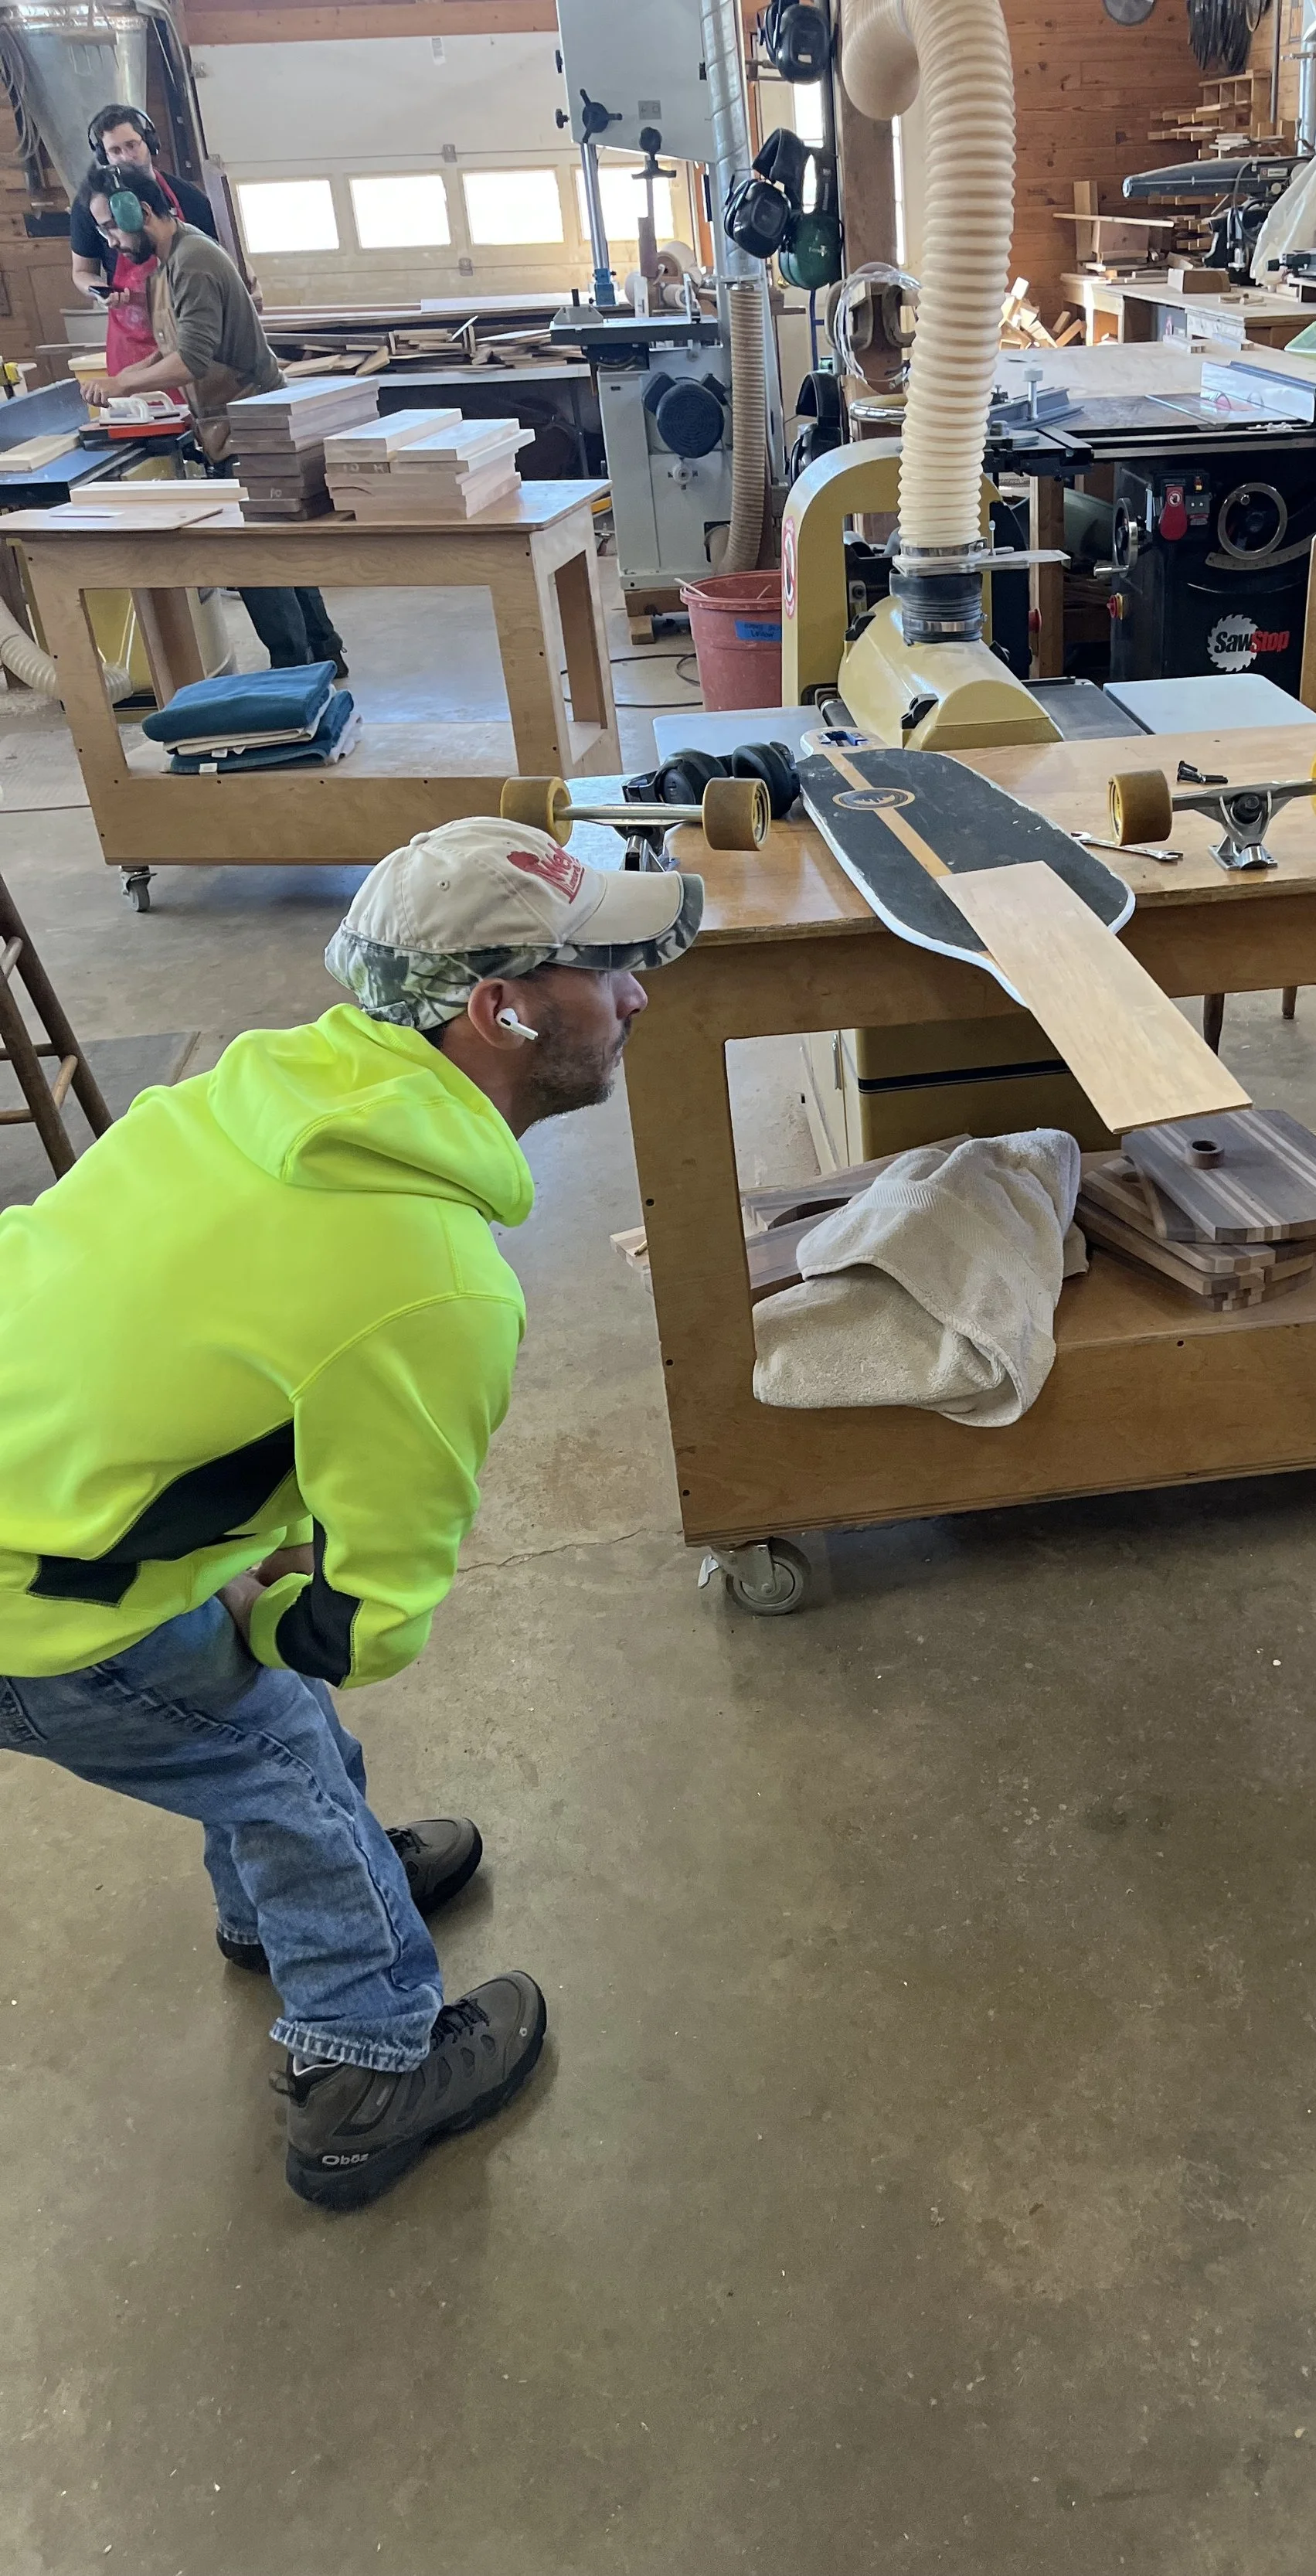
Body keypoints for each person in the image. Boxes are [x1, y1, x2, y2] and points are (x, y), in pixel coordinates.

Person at [0, 821, 704, 2208]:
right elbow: (365, 1613)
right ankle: (367, 2070)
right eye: (602, 969)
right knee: (277, 1747)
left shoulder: (262, 1091)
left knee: (245, 1727)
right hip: (48, 1604)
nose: (634, 995)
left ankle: (275, 1905)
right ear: (498, 1008)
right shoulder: (429, 1279)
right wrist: (286, 1618)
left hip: (45, 1495)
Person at [82, 169, 343, 675]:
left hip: (254, 425)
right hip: (238, 423)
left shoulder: (193, 262)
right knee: (275, 547)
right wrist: (119, 378)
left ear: (140, 211)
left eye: (112, 228)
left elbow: (191, 363)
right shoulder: (170, 261)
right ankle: (323, 651)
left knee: (249, 558)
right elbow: (169, 347)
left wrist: (121, 386)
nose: (111, 242)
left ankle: (293, 673)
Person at [67, 104, 226, 307]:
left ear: (149, 143)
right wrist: (99, 289)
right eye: (115, 151)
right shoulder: (90, 207)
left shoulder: (188, 197)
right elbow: (82, 271)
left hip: (187, 310)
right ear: (103, 156)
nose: (126, 157)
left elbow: (222, 252)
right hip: (129, 321)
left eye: (132, 145)